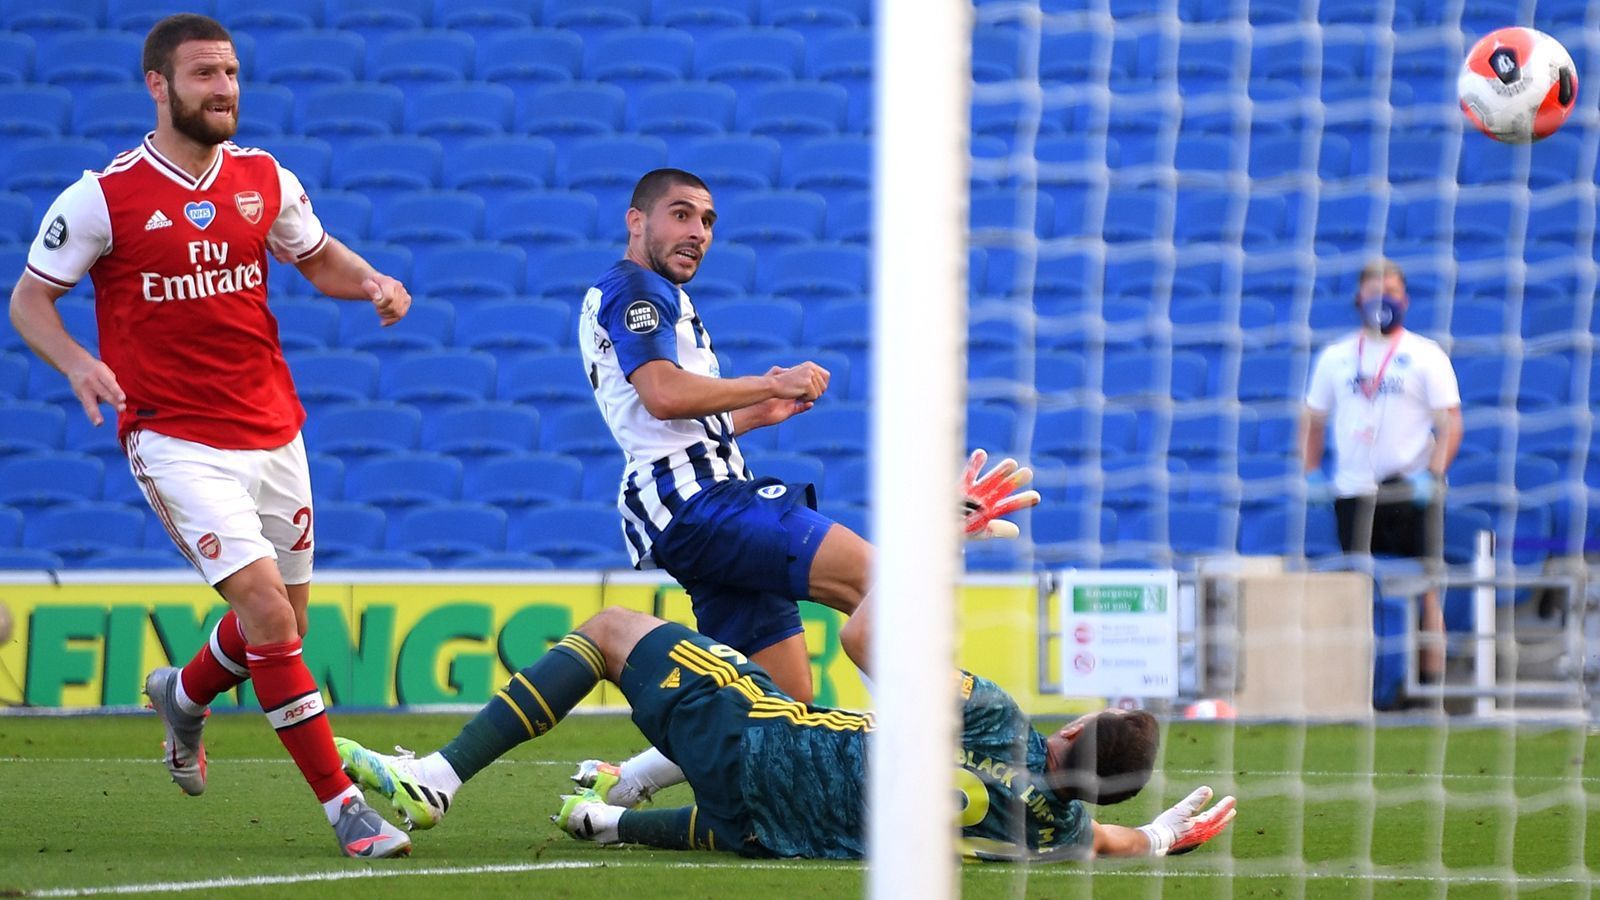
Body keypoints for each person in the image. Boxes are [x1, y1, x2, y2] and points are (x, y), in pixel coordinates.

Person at [7, 14, 413, 858]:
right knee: (266, 611)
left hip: (274, 429)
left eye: (230, 73)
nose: (225, 88)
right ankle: (344, 808)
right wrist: (80, 365)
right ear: (158, 85)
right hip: (175, 437)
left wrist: (370, 280)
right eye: (204, 75)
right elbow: (29, 300)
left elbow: (317, 256)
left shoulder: (264, 178)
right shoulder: (102, 195)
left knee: (281, 631)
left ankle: (181, 696)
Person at [577, 168, 1031, 701]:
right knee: (879, 582)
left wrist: (754, 415)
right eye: (681, 215)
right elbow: (663, 393)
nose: (698, 231)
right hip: (699, 500)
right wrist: (768, 383)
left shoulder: (633, 292)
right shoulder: (639, 291)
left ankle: (624, 779)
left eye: (707, 221)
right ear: (636, 221)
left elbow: (658, 420)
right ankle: (952, 745)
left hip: (687, 500)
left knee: (782, 706)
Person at [334, 602, 1236, 860]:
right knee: (754, 750)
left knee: (615, 633)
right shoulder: (1060, 830)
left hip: (762, 745)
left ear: (1073, 731)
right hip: (769, 833)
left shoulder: (999, 719)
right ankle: (609, 814)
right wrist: (1157, 836)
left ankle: (441, 778)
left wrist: (942, 531)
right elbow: (1113, 837)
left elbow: (863, 634)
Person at [1301, 257, 1463, 686]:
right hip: (1353, 491)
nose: (1382, 300)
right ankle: (1356, 684)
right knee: (1355, 590)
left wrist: (1433, 474)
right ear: (1358, 298)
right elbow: (1313, 419)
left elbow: (1451, 423)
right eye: (1374, 291)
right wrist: (1311, 472)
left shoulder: (1425, 355)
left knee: (1427, 587)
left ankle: (1431, 686)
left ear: (1404, 298)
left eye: (1390, 291)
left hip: (1409, 489)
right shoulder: (1335, 358)